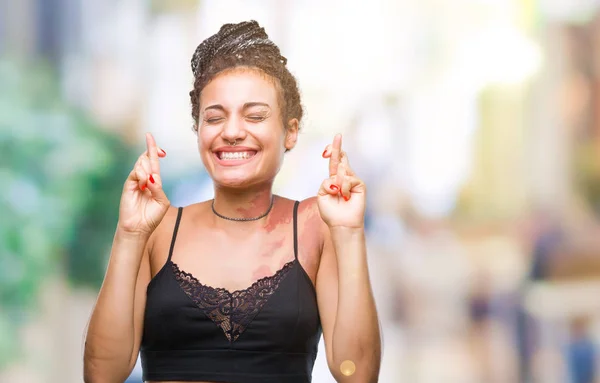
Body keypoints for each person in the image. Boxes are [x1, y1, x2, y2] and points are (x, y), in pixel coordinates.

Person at [83, 20, 381, 383]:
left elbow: (358, 372)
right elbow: (102, 374)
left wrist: (349, 233)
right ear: (199, 131)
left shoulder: (317, 227)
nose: (233, 131)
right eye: (214, 117)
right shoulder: (156, 230)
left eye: (255, 115)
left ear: (290, 132)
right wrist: (129, 234)